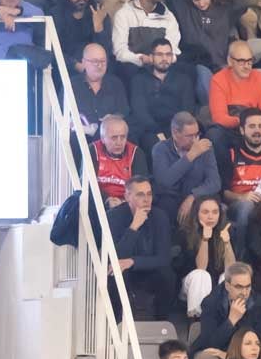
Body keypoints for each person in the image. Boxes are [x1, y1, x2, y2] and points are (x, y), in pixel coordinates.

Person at [106, 176, 175, 319]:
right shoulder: (113, 217)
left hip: (148, 269)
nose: (146, 199)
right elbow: (115, 256)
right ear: (127, 196)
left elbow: (163, 258)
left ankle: (162, 321)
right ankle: (116, 322)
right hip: (126, 272)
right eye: (140, 195)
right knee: (114, 273)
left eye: (149, 194)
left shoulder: (160, 217)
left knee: (167, 275)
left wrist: (133, 262)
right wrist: (133, 227)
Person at [128, 40, 198, 155]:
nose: (164, 58)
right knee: (154, 145)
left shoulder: (183, 79)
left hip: (178, 128)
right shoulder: (139, 79)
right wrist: (158, 132)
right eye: (160, 55)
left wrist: (177, 132)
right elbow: (140, 111)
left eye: (168, 54)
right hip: (150, 130)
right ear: (151, 57)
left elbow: (188, 109)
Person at [220, 107, 261, 232]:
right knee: (247, 206)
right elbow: (224, 193)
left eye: (260, 126)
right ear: (242, 130)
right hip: (239, 205)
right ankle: (241, 246)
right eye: (252, 126)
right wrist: (242, 197)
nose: (257, 130)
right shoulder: (231, 154)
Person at [177, 196, 234, 317]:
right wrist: (205, 240)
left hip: (216, 285)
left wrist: (227, 243)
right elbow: (201, 267)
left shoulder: (226, 231)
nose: (210, 216)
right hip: (190, 286)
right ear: (196, 214)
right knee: (201, 275)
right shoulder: (185, 233)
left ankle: (227, 319)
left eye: (215, 212)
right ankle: (198, 319)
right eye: (205, 212)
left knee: (228, 277)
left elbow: (231, 269)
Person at [90, 115, 147, 204]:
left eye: (123, 137)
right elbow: (88, 185)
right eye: (114, 138)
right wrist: (106, 200)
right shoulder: (93, 150)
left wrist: (123, 202)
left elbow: (141, 187)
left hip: (127, 204)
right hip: (99, 202)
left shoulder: (136, 153)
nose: (119, 142)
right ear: (103, 139)